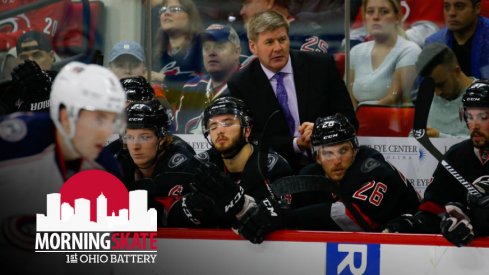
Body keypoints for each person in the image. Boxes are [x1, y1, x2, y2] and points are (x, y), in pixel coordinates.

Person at [0, 61, 126, 272]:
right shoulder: (13, 144)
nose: (106, 132)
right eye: (99, 119)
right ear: (66, 116)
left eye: (112, 120)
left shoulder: (107, 170)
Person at [232, 113, 421, 244]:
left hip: (420, 235)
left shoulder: (375, 170)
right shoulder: (309, 174)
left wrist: (285, 217)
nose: (337, 160)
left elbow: (354, 218)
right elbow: (284, 206)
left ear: (355, 150)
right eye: (328, 153)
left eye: (343, 150)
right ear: (317, 157)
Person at [228, 10, 357, 172]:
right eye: (269, 42)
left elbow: (349, 119)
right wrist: (295, 144)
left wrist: (321, 129)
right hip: (275, 170)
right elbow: (249, 138)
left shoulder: (321, 67)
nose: (278, 48)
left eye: (282, 39)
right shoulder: (241, 83)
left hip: (328, 164)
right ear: (253, 46)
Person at [381, 80, 489, 247]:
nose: (474, 125)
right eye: (469, 116)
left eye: (483, 117)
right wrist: (412, 225)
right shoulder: (457, 156)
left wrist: (478, 222)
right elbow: (432, 213)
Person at [119, 99, 200, 226]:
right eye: (129, 137)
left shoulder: (182, 165)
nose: (135, 146)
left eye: (144, 137)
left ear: (162, 138)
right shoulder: (118, 160)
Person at [195, 96, 293, 202]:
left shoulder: (272, 167)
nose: (219, 131)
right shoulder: (203, 164)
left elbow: (283, 215)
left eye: (227, 123)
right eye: (213, 126)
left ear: (247, 130)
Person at [348, 0, 421, 107]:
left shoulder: (410, 50)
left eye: (384, 12)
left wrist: (360, 118)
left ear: (398, 17)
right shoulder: (355, 51)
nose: (376, 17)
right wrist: (353, 120)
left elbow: (394, 98)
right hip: (359, 121)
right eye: (370, 12)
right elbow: (348, 96)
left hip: (394, 121)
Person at [178, 24, 242, 133]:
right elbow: (179, 133)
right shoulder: (191, 87)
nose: (211, 53)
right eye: (206, 48)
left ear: (237, 52)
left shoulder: (249, 85)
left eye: (220, 47)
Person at [151, 0, 204, 125]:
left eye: (174, 9)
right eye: (163, 10)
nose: (166, 13)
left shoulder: (202, 46)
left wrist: (163, 78)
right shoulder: (158, 53)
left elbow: (205, 82)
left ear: (190, 16)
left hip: (194, 116)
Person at [416, 43, 476, 137]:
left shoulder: (483, 95)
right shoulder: (427, 97)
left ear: (457, 71)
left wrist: (440, 137)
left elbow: (483, 145)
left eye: (441, 85)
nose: (437, 93)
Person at [424, 0, 489, 80]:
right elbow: (425, 88)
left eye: (459, 6)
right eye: (447, 7)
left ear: (477, 8)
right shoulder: (433, 44)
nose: (451, 13)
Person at [239, 0, 333, 53]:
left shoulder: (306, 33)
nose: (242, 12)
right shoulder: (248, 41)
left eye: (247, 3)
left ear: (269, 2)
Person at [0, 31, 58, 114]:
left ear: (52, 57)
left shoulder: (63, 81)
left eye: (37, 55)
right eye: (24, 57)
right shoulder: (11, 93)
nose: (30, 61)